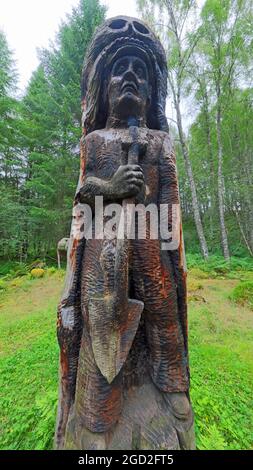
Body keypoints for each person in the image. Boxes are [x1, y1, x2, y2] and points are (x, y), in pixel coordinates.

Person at [55, 16, 192, 450]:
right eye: (120, 67)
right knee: (103, 321)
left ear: (151, 90)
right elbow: (82, 195)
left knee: (164, 312)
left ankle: (172, 384)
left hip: (151, 243)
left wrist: (173, 253)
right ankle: (96, 411)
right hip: (105, 246)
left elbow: (169, 204)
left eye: (140, 69)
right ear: (102, 87)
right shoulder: (95, 141)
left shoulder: (159, 143)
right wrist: (112, 187)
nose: (130, 75)